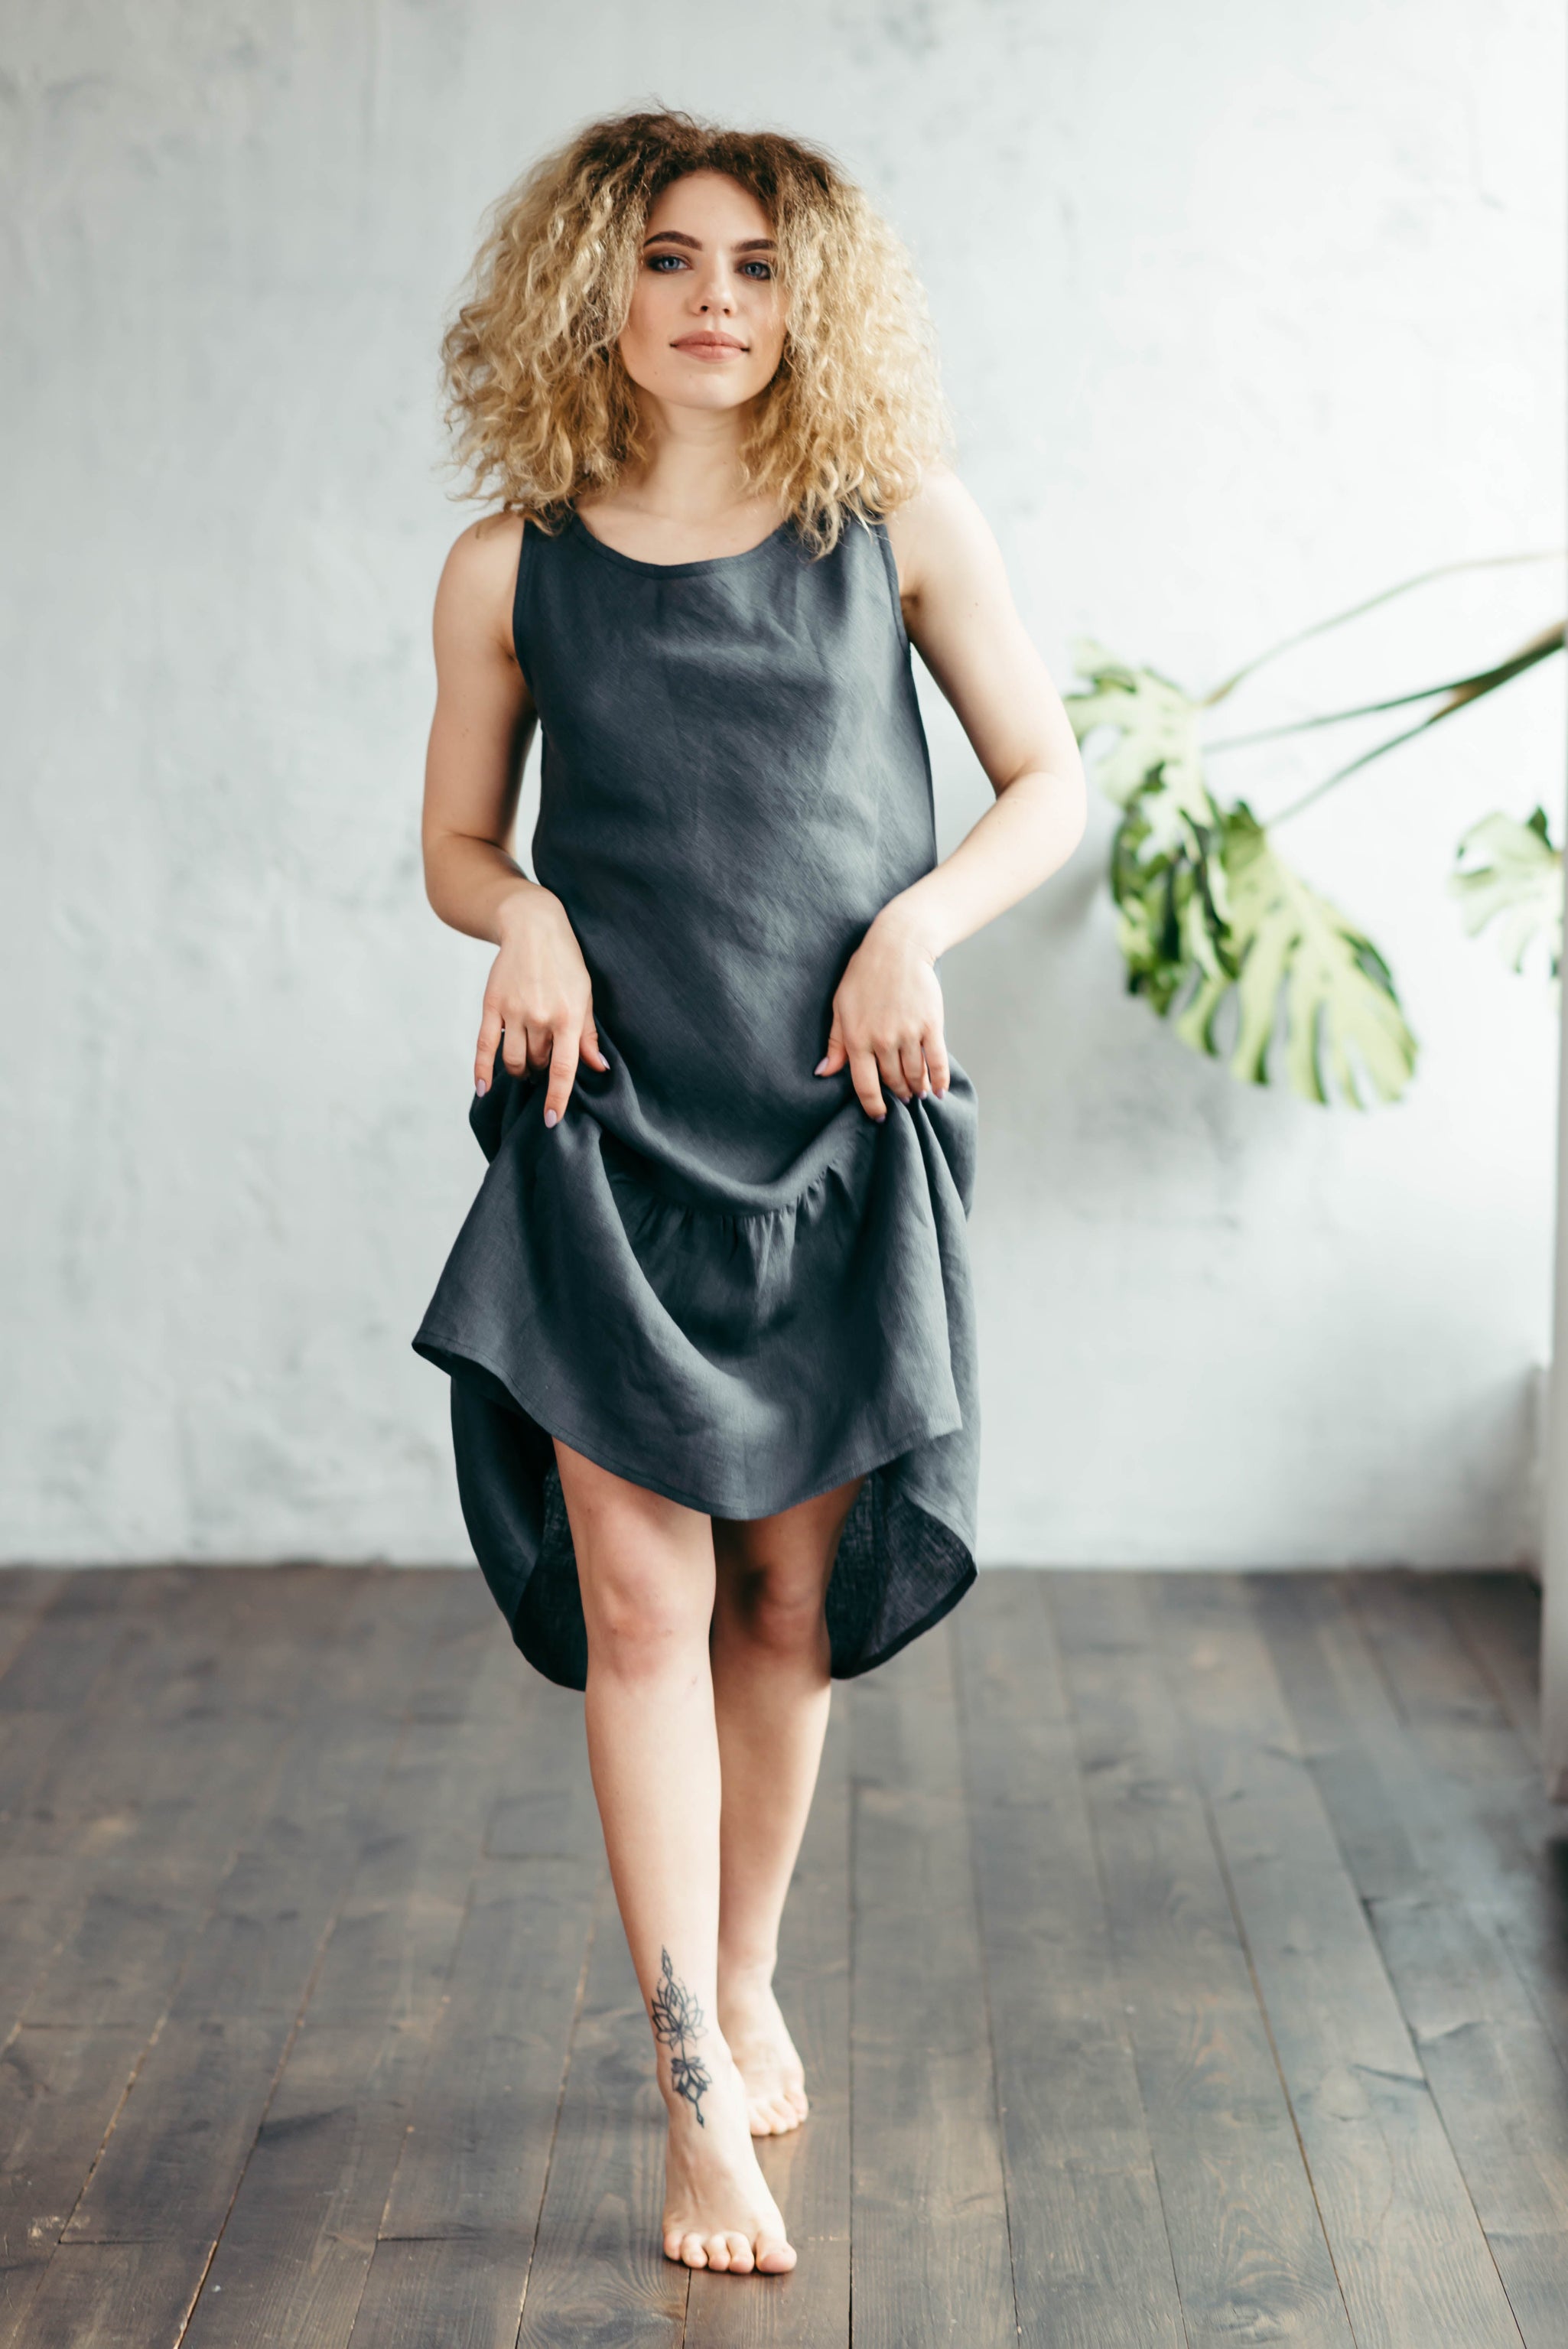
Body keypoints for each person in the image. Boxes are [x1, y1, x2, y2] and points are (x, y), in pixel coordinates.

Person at [412, 109, 1086, 2278]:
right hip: (605, 1134)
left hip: (828, 1128)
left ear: (815, 299)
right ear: (590, 287)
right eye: (674, 257)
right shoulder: (512, 566)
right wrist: (508, 907)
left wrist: (912, 931)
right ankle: (687, 2079)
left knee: (785, 1608)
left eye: (762, 266)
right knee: (643, 1609)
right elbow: (451, 844)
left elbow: (1045, 780)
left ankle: (748, 1956)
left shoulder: (889, 523)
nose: (717, 297)